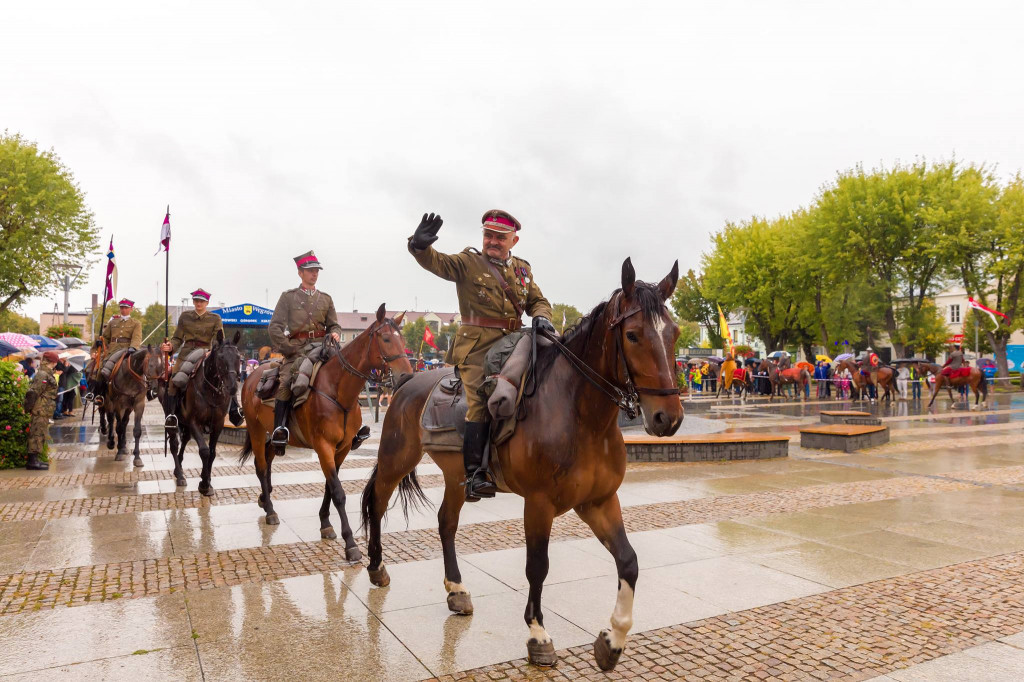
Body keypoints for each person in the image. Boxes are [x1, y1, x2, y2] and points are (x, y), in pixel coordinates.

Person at [408, 210, 553, 501]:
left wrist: (542, 316)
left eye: (500, 237)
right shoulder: (468, 263)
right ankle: (475, 474)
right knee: (481, 400)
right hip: (477, 348)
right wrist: (419, 247)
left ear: (514, 240)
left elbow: (538, 301)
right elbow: (438, 263)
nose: (493, 241)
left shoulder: (522, 270)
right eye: (488, 235)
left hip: (514, 343)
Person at [267, 251, 342, 452]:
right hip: (297, 351)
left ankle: (354, 425)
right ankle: (279, 430)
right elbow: (274, 327)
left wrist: (335, 334)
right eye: (310, 270)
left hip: (322, 349)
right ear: (300, 273)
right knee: (286, 382)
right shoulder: (288, 297)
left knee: (344, 375)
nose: (314, 274)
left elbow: (334, 325)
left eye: (316, 270)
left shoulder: (326, 299)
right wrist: (288, 349)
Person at [161, 288, 224, 427]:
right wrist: (170, 347)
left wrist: (211, 351)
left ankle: (233, 410)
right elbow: (177, 338)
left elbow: (218, 340)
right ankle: (171, 415)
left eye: (202, 301)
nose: (198, 303)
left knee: (223, 379)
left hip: (206, 354)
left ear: (207, 302)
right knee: (174, 381)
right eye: (196, 300)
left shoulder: (215, 319)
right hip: (186, 353)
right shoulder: (185, 316)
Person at [93, 298, 143, 400]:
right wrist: (101, 342)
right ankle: (99, 394)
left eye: (125, 308)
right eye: (121, 308)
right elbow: (106, 337)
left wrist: (133, 347)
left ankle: (146, 391)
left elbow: (137, 337)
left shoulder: (136, 323)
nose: (123, 310)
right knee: (100, 369)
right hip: (112, 350)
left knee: (143, 368)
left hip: (128, 349)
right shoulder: (113, 322)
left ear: (131, 309)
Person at [23, 351, 60, 470]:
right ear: (53, 362)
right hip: (40, 409)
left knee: (40, 433)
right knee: (36, 434)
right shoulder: (43, 374)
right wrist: (28, 408)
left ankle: (36, 459)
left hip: (44, 409)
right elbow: (33, 393)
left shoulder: (46, 373)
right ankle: (32, 461)